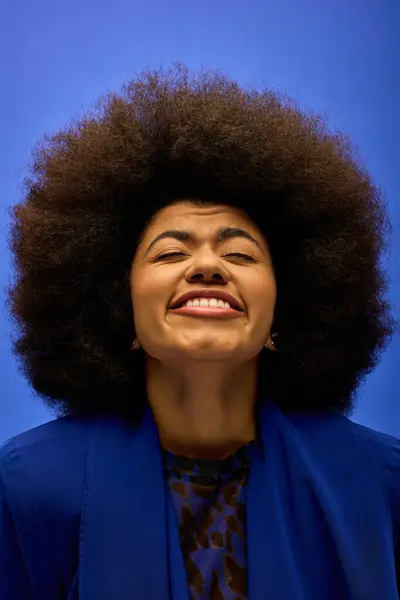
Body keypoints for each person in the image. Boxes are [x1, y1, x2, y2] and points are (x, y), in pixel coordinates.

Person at [0, 64, 399, 600]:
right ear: (121, 314)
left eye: (239, 253)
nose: (208, 266)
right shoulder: (27, 486)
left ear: (283, 314)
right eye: (170, 252)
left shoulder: (381, 481)